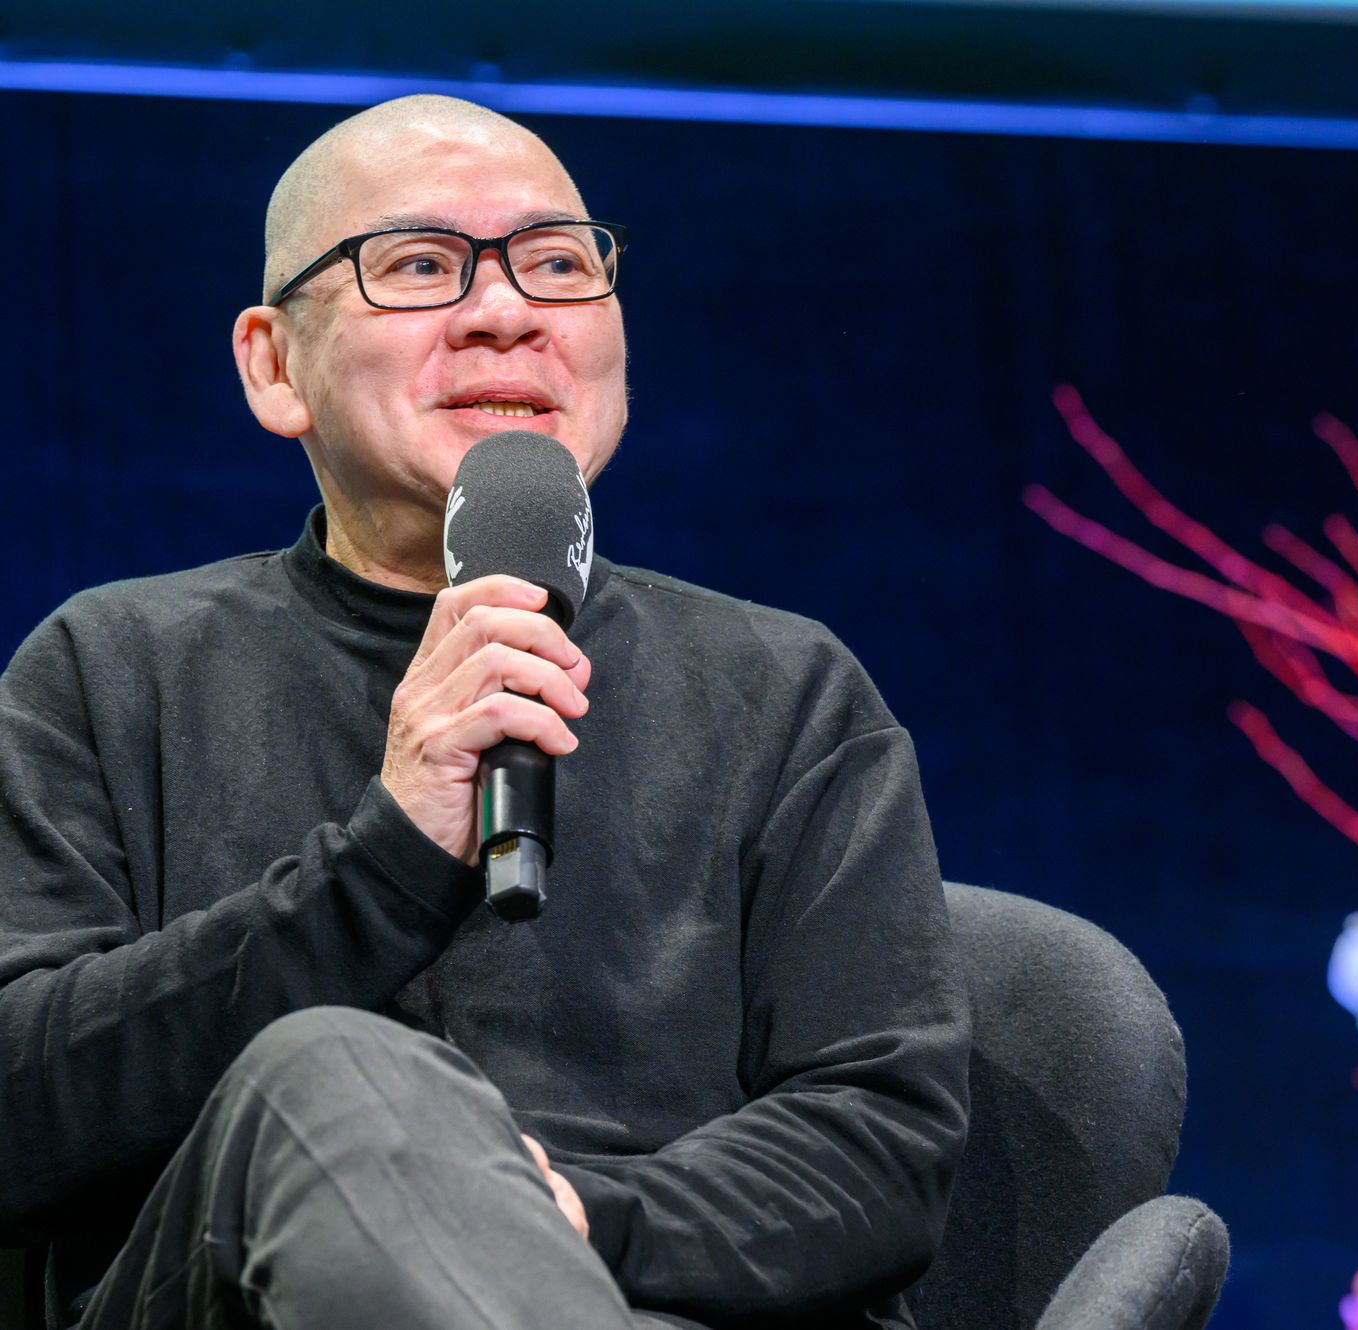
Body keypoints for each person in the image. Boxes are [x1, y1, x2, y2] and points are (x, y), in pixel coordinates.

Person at [0, 95, 971, 1330]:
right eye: (417, 264)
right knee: (332, 1075)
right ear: (272, 363)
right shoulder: (107, 668)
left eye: (558, 264)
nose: (508, 311)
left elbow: (882, 1146)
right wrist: (384, 862)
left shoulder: (785, 690)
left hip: (654, 1298)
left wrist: (554, 1219)